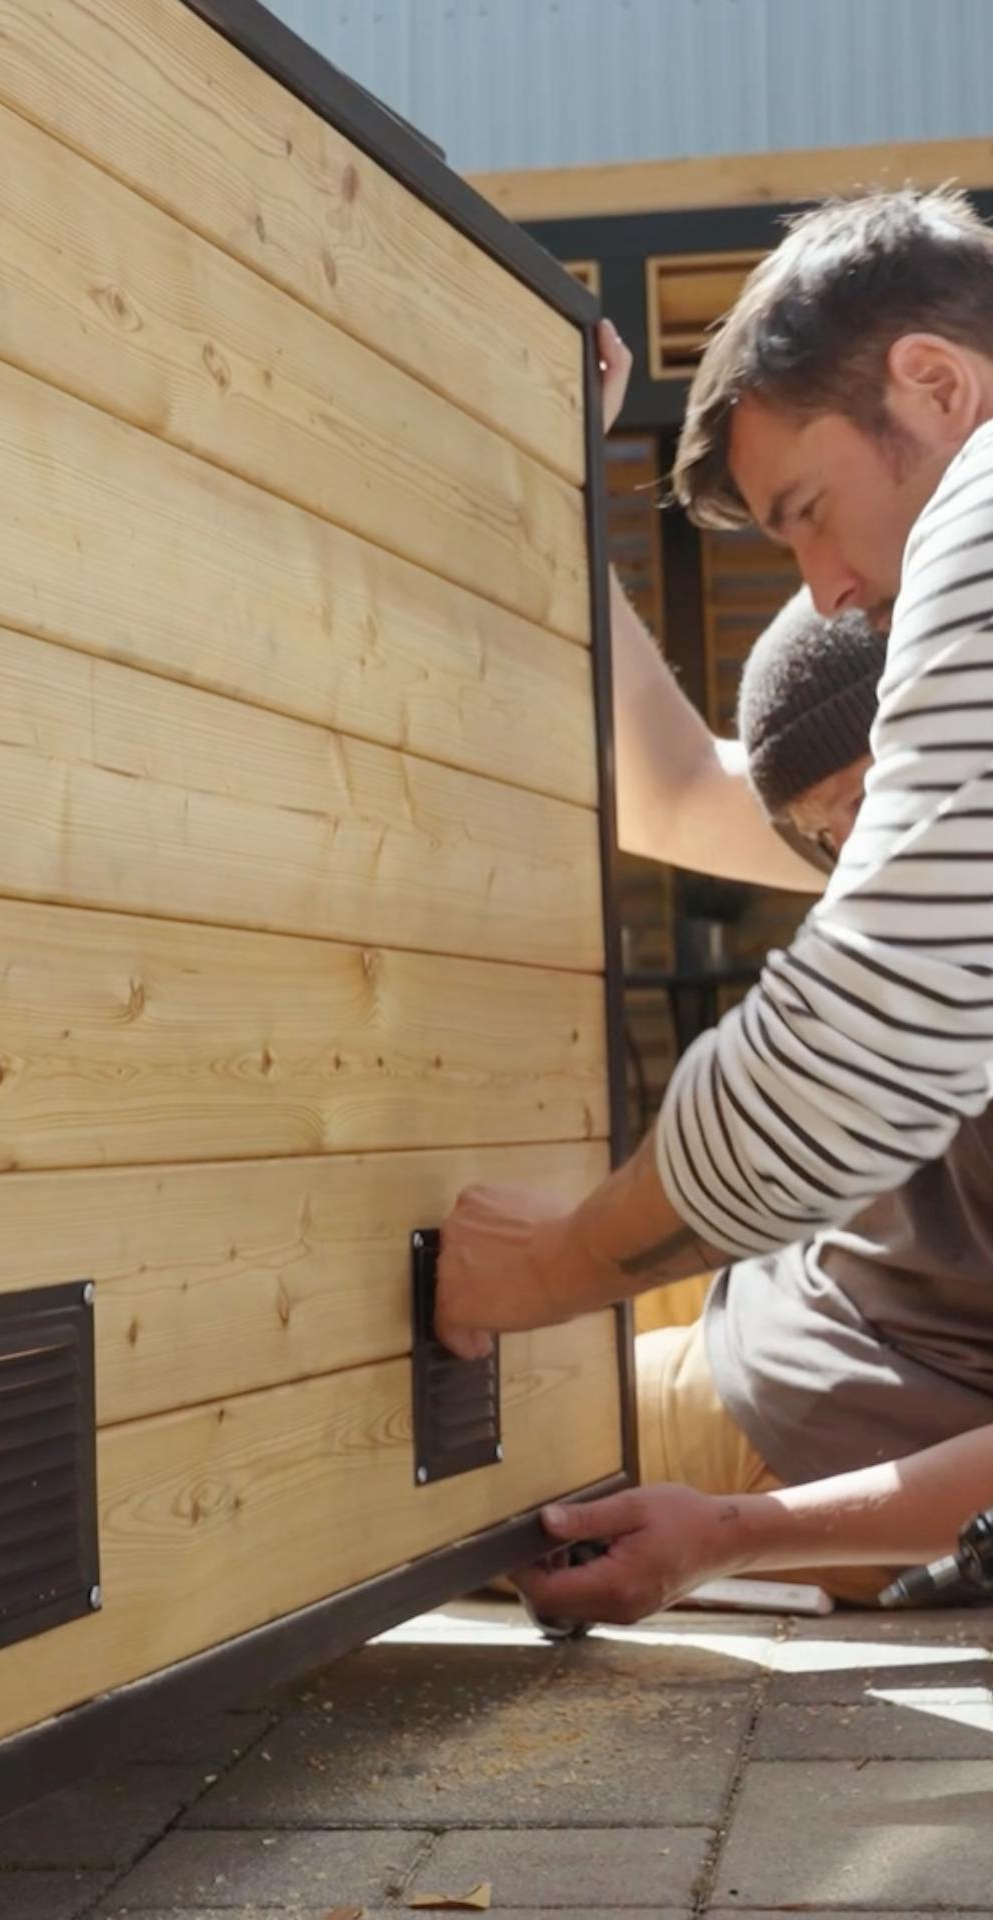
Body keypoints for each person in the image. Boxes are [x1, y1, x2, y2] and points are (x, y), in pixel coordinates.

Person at [433, 186, 993, 1381]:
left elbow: (870, 1035)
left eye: (812, 512)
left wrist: (559, 1262)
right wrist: (567, 482)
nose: (830, 592)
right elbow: (676, 793)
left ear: (941, 388)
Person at [549, 592, 993, 1618]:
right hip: (792, 1309)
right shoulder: (913, 833)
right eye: (820, 833)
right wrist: (562, 453)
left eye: (855, 802)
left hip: (823, 1418)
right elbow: (668, 789)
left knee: (424, 1466)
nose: (845, 854)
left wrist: (726, 1542)